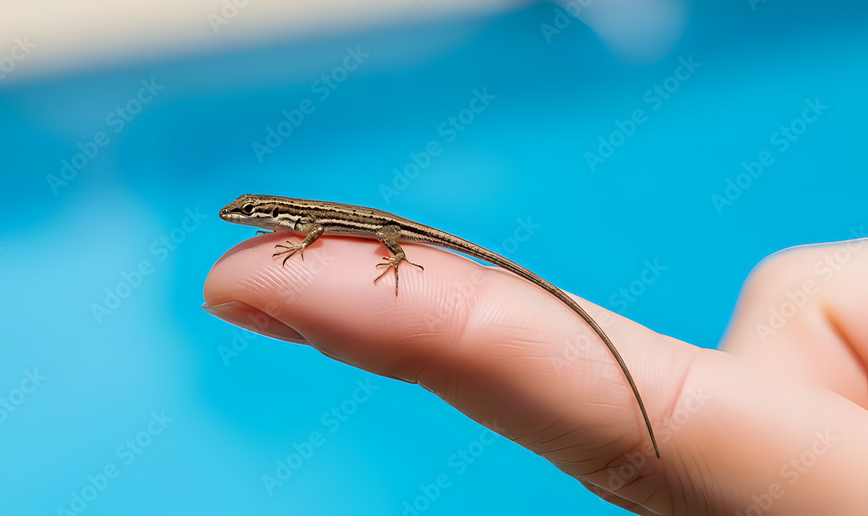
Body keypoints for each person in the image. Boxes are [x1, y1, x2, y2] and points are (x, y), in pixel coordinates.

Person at [204, 233, 868, 515]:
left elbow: (351, 235)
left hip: (390, 231)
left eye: (247, 215)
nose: (242, 222)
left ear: (269, 216)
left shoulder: (305, 223)